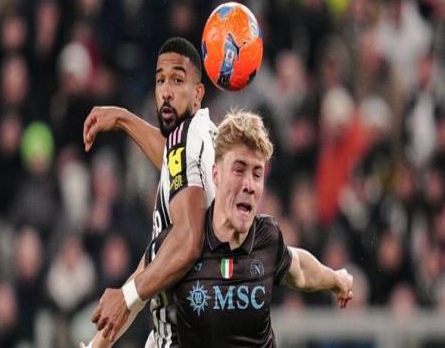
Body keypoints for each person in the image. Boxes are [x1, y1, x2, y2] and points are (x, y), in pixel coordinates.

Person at [152, 110, 354, 346]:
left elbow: (298, 267)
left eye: (257, 174)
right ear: (216, 174)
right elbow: (136, 290)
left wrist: (336, 279)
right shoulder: (183, 243)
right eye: (239, 170)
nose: (249, 185)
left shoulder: (267, 237)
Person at [80, 37, 217, 347]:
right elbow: (155, 260)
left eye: (177, 80)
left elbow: (188, 241)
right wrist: (122, 118)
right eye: (160, 80)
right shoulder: (203, 138)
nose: (166, 91)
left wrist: (126, 296)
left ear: (198, 94)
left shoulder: (186, 142)